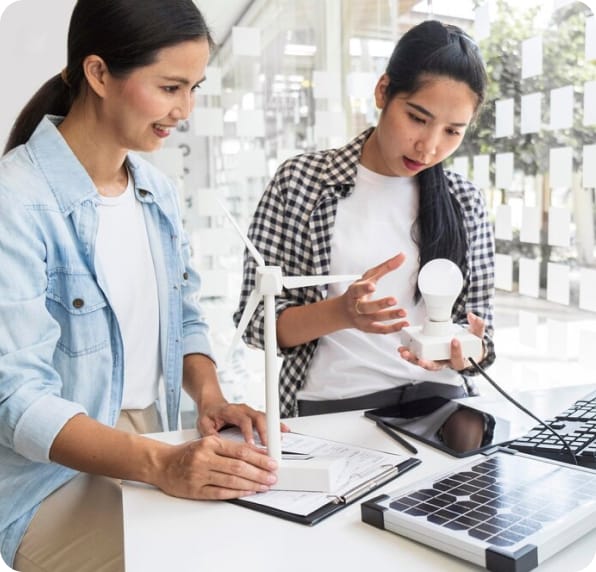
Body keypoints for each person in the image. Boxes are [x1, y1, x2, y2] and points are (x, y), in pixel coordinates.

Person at [0, 2, 280, 571]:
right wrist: (158, 465)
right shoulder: (16, 201)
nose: (186, 109)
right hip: (48, 476)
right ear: (99, 74)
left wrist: (212, 398)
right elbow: (16, 400)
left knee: (264, 540)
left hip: (152, 435)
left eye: (194, 87)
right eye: (171, 87)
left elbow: (185, 317)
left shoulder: (156, 191)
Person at [234, 20, 496, 421]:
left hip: (444, 407)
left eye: (452, 131)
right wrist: (341, 313)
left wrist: (464, 355)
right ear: (382, 91)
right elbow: (254, 323)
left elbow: (482, 335)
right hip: (332, 407)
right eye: (417, 118)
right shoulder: (301, 183)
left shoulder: (463, 201)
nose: (429, 146)